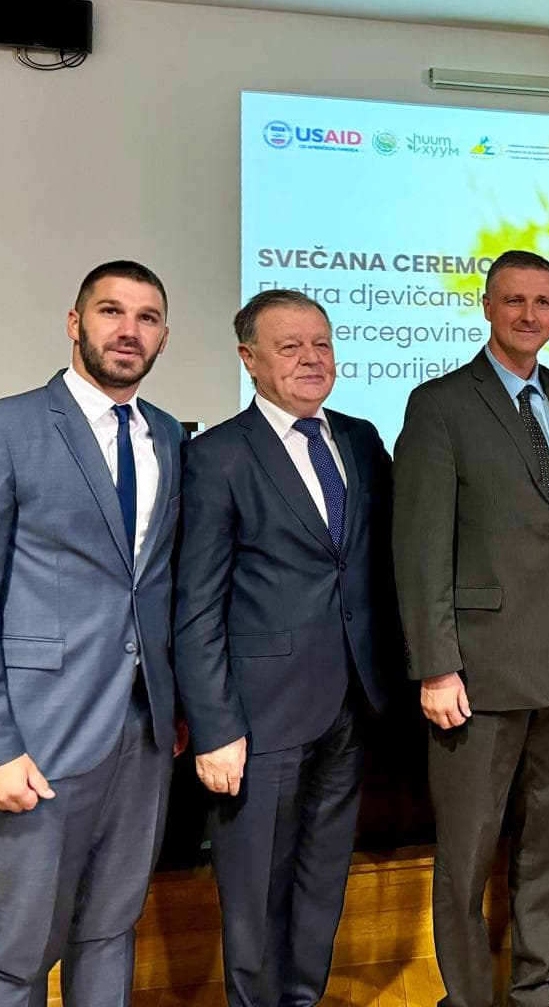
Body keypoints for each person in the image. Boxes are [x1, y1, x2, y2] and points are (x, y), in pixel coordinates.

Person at [0, 259, 185, 1006]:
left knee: (110, 929)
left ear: (163, 337)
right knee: (18, 952)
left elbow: (152, 585)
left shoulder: (169, 436)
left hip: (141, 734)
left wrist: (174, 703)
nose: (128, 330)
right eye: (111, 311)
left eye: (146, 318)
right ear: (75, 323)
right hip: (35, 739)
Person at [173, 288, 396, 1006]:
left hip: (350, 703)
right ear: (249, 358)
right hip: (258, 716)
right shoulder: (216, 455)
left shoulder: (360, 439)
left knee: (322, 880)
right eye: (290, 346)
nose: (311, 359)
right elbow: (196, 604)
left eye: (321, 344)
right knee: (255, 891)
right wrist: (214, 726)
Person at [393, 250, 549, 1007]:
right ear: (486, 307)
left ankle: (535, 983)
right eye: (513, 300)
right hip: (476, 671)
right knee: (467, 854)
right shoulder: (439, 404)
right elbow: (420, 547)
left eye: (543, 302)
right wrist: (435, 665)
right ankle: (469, 996)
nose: (528, 315)